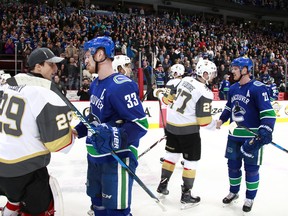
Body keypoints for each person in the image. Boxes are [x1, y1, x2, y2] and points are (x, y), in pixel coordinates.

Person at [73, 36, 148, 216]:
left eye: (87, 56)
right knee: (98, 205)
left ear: (100, 54)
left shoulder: (121, 86)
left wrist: (114, 136)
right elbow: (93, 118)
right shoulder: (95, 84)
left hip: (117, 160)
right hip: (95, 156)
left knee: (116, 212)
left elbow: (141, 125)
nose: (85, 60)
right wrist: (77, 130)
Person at [0, 47, 75, 215]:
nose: (56, 69)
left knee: (14, 195)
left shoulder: (7, 86)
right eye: (51, 65)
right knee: (43, 208)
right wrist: (68, 133)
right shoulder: (44, 93)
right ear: (38, 67)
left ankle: (11, 207)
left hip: (1, 167)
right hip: (24, 169)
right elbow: (59, 145)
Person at [153, 60, 217, 210]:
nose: (214, 76)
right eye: (212, 73)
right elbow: (203, 121)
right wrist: (216, 124)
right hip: (189, 131)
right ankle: (186, 195)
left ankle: (162, 185)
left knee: (171, 156)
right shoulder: (205, 92)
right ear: (205, 73)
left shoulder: (184, 80)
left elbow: (167, 99)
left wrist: (160, 94)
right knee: (190, 162)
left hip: (172, 126)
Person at [216, 57, 276, 214]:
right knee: (233, 166)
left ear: (245, 70)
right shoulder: (233, 88)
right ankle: (233, 191)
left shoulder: (258, 88)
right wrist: (222, 119)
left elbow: (268, 113)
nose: (232, 71)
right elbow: (229, 107)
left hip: (252, 138)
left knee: (251, 169)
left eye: (236, 68)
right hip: (234, 135)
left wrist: (266, 129)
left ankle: (249, 198)